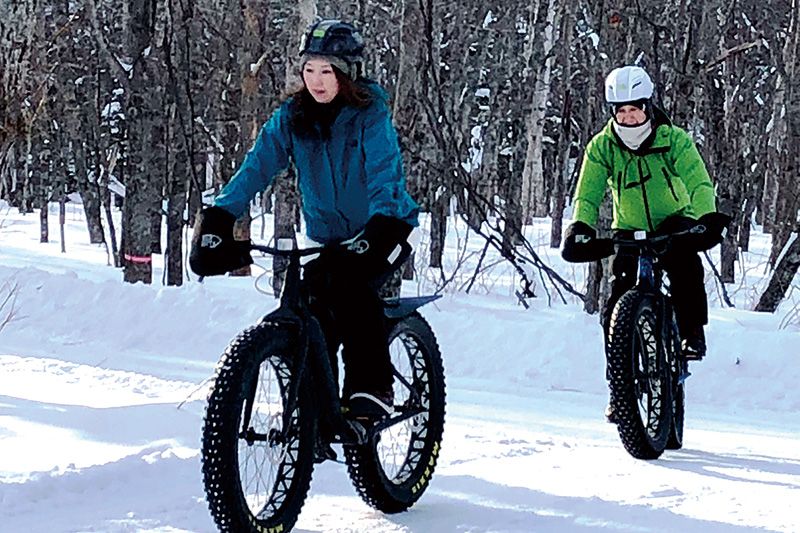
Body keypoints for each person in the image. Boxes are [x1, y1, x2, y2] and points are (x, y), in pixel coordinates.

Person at [189, 19, 420, 421]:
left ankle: (372, 388)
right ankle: (316, 407)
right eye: (309, 69)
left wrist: (381, 223)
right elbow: (256, 168)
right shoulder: (292, 118)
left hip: (386, 227)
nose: (316, 80)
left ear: (346, 73)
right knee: (311, 303)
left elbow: (385, 172)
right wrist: (220, 213)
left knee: (351, 291)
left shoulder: (369, 114)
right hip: (330, 238)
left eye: (326, 71)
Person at [562, 65, 729, 368]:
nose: (628, 118)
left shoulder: (674, 140)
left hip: (675, 222)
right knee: (616, 303)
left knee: (685, 266)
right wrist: (579, 227)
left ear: (648, 107)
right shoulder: (602, 147)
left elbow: (698, 181)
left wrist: (708, 217)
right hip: (628, 227)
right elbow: (587, 193)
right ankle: (619, 382)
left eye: (634, 110)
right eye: (620, 111)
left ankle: (691, 332)